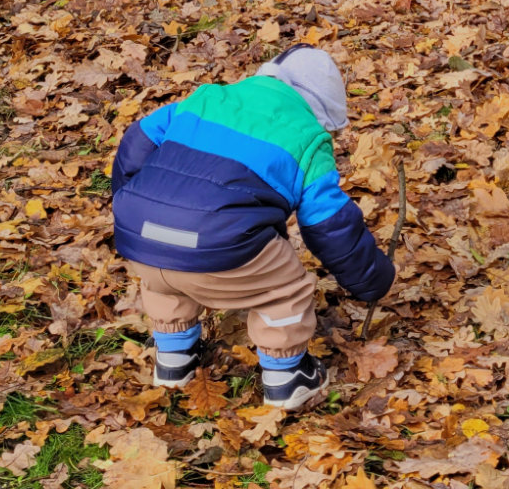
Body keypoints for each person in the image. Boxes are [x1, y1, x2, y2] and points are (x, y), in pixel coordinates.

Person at [111, 44, 395, 409]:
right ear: (321, 110)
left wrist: (131, 201)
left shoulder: (207, 97)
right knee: (283, 288)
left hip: (142, 233)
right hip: (218, 244)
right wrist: (372, 280)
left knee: (164, 278)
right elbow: (330, 224)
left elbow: (137, 141)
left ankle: (174, 358)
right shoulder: (308, 136)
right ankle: (286, 376)